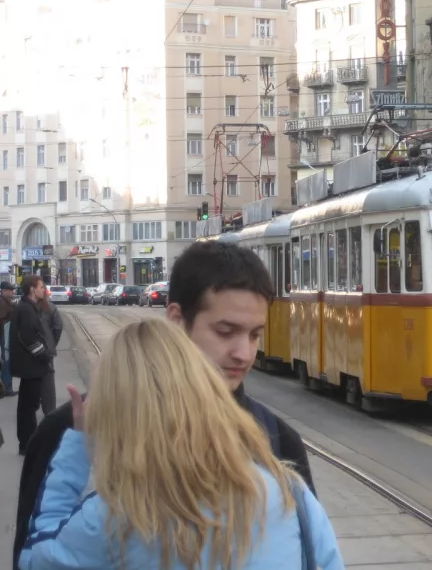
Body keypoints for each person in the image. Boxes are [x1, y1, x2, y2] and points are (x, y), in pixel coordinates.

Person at [13, 241, 316, 568]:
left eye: (255, 335)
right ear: (176, 319)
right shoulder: (69, 432)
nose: (244, 353)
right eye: (225, 331)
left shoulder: (277, 441)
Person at [18, 319, 344, 570]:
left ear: (114, 411)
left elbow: (36, 556)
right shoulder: (291, 494)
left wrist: (79, 442)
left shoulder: (116, 516)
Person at [9, 276, 53, 456]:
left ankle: (26, 443)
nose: (44, 290)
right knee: (29, 406)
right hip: (31, 366)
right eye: (41, 287)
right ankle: (27, 444)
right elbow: (28, 336)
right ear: (32, 290)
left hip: (29, 365)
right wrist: (43, 355)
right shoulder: (26, 309)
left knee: (27, 405)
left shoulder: (27, 307)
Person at [36, 286, 62, 414]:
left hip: (30, 349)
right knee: (48, 381)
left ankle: (32, 406)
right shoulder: (51, 307)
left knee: (31, 379)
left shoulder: (27, 307)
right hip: (47, 348)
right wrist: (53, 342)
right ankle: (50, 410)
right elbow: (58, 327)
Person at [0, 281, 16, 398]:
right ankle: (6, 388)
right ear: (3, 291)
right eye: (10, 290)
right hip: (4, 336)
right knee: (7, 362)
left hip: (5, 335)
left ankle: (6, 387)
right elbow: (2, 320)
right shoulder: (2, 303)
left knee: (7, 361)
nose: (12, 292)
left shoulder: (7, 302)